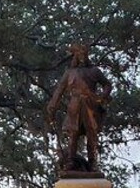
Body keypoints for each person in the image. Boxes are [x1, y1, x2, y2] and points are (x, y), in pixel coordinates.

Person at [47, 44, 112, 172]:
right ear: (76, 56)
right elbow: (59, 91)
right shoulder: (69, 73)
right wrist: (52, 107)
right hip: (74, 106)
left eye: (84, 55)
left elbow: (107, 85)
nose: (82, 58)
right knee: (73, 134)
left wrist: (101, 97)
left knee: (91, 134)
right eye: (79, 55)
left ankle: (93, 162)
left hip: (90, 105)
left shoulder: (94, 71)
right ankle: (70, 161)